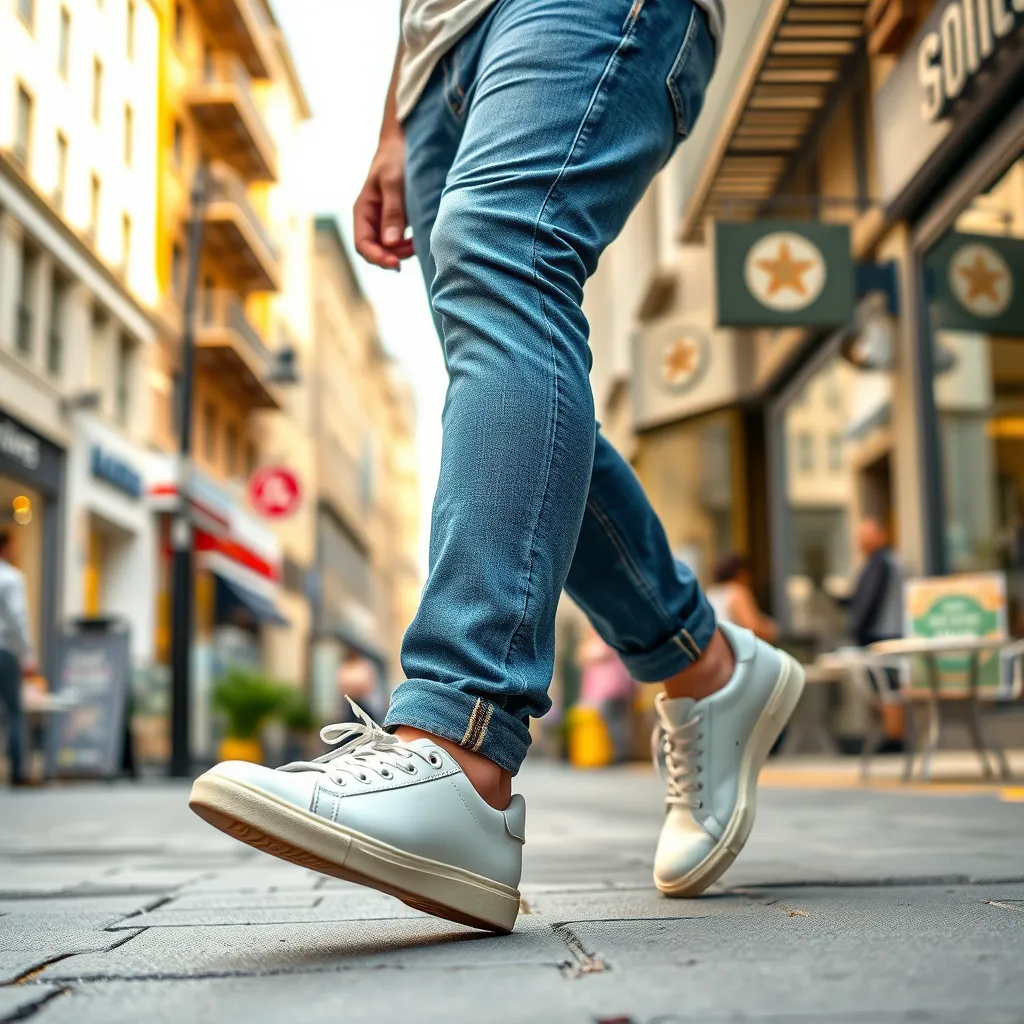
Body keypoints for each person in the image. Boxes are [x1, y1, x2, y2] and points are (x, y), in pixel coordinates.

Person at [190, 0, 806, 934]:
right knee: (507, 357)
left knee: (505, 257)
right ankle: (704, 667)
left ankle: (462, 746)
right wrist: (396, 115)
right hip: (440, 56)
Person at [0, 529, 36, 786]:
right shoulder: (10, 578)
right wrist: (28, 654)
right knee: (14, 711)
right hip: (4, 649)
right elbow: (17, 619)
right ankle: (18, 772)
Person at [576, 623, 635, 763]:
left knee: (613, 721)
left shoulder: (606, 639)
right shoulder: (614, 638)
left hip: (610, 689)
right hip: (613, 689)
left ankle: (619, 755)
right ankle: (616, 753)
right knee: (615, 721)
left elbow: (590, 655)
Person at [845, 518, 903, 649]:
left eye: (867, 536)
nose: (862, 541)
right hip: (886, 631)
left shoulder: (880, 562)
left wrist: (856, 628)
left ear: (880, 535)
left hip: (879, 634)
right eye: (861, 537)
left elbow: (870, 598)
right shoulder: (885, 560)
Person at [706, 554, 777, 642]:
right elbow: (753, 628)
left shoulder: (712, 592)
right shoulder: (737, 591)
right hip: (735, 649)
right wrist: (771, 629)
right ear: (741, 573)